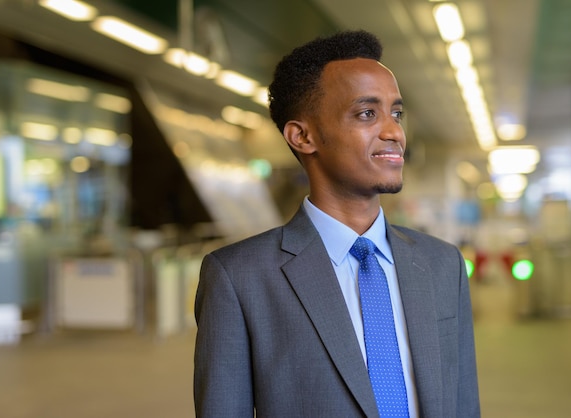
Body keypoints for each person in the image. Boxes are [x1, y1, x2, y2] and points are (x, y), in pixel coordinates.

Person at [194, 30, 480, 418]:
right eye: (367, 113)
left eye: (396, 113)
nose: (394, 132)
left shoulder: (442, 264)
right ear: (303, 136)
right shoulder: (239, 278)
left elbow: (463, 405)